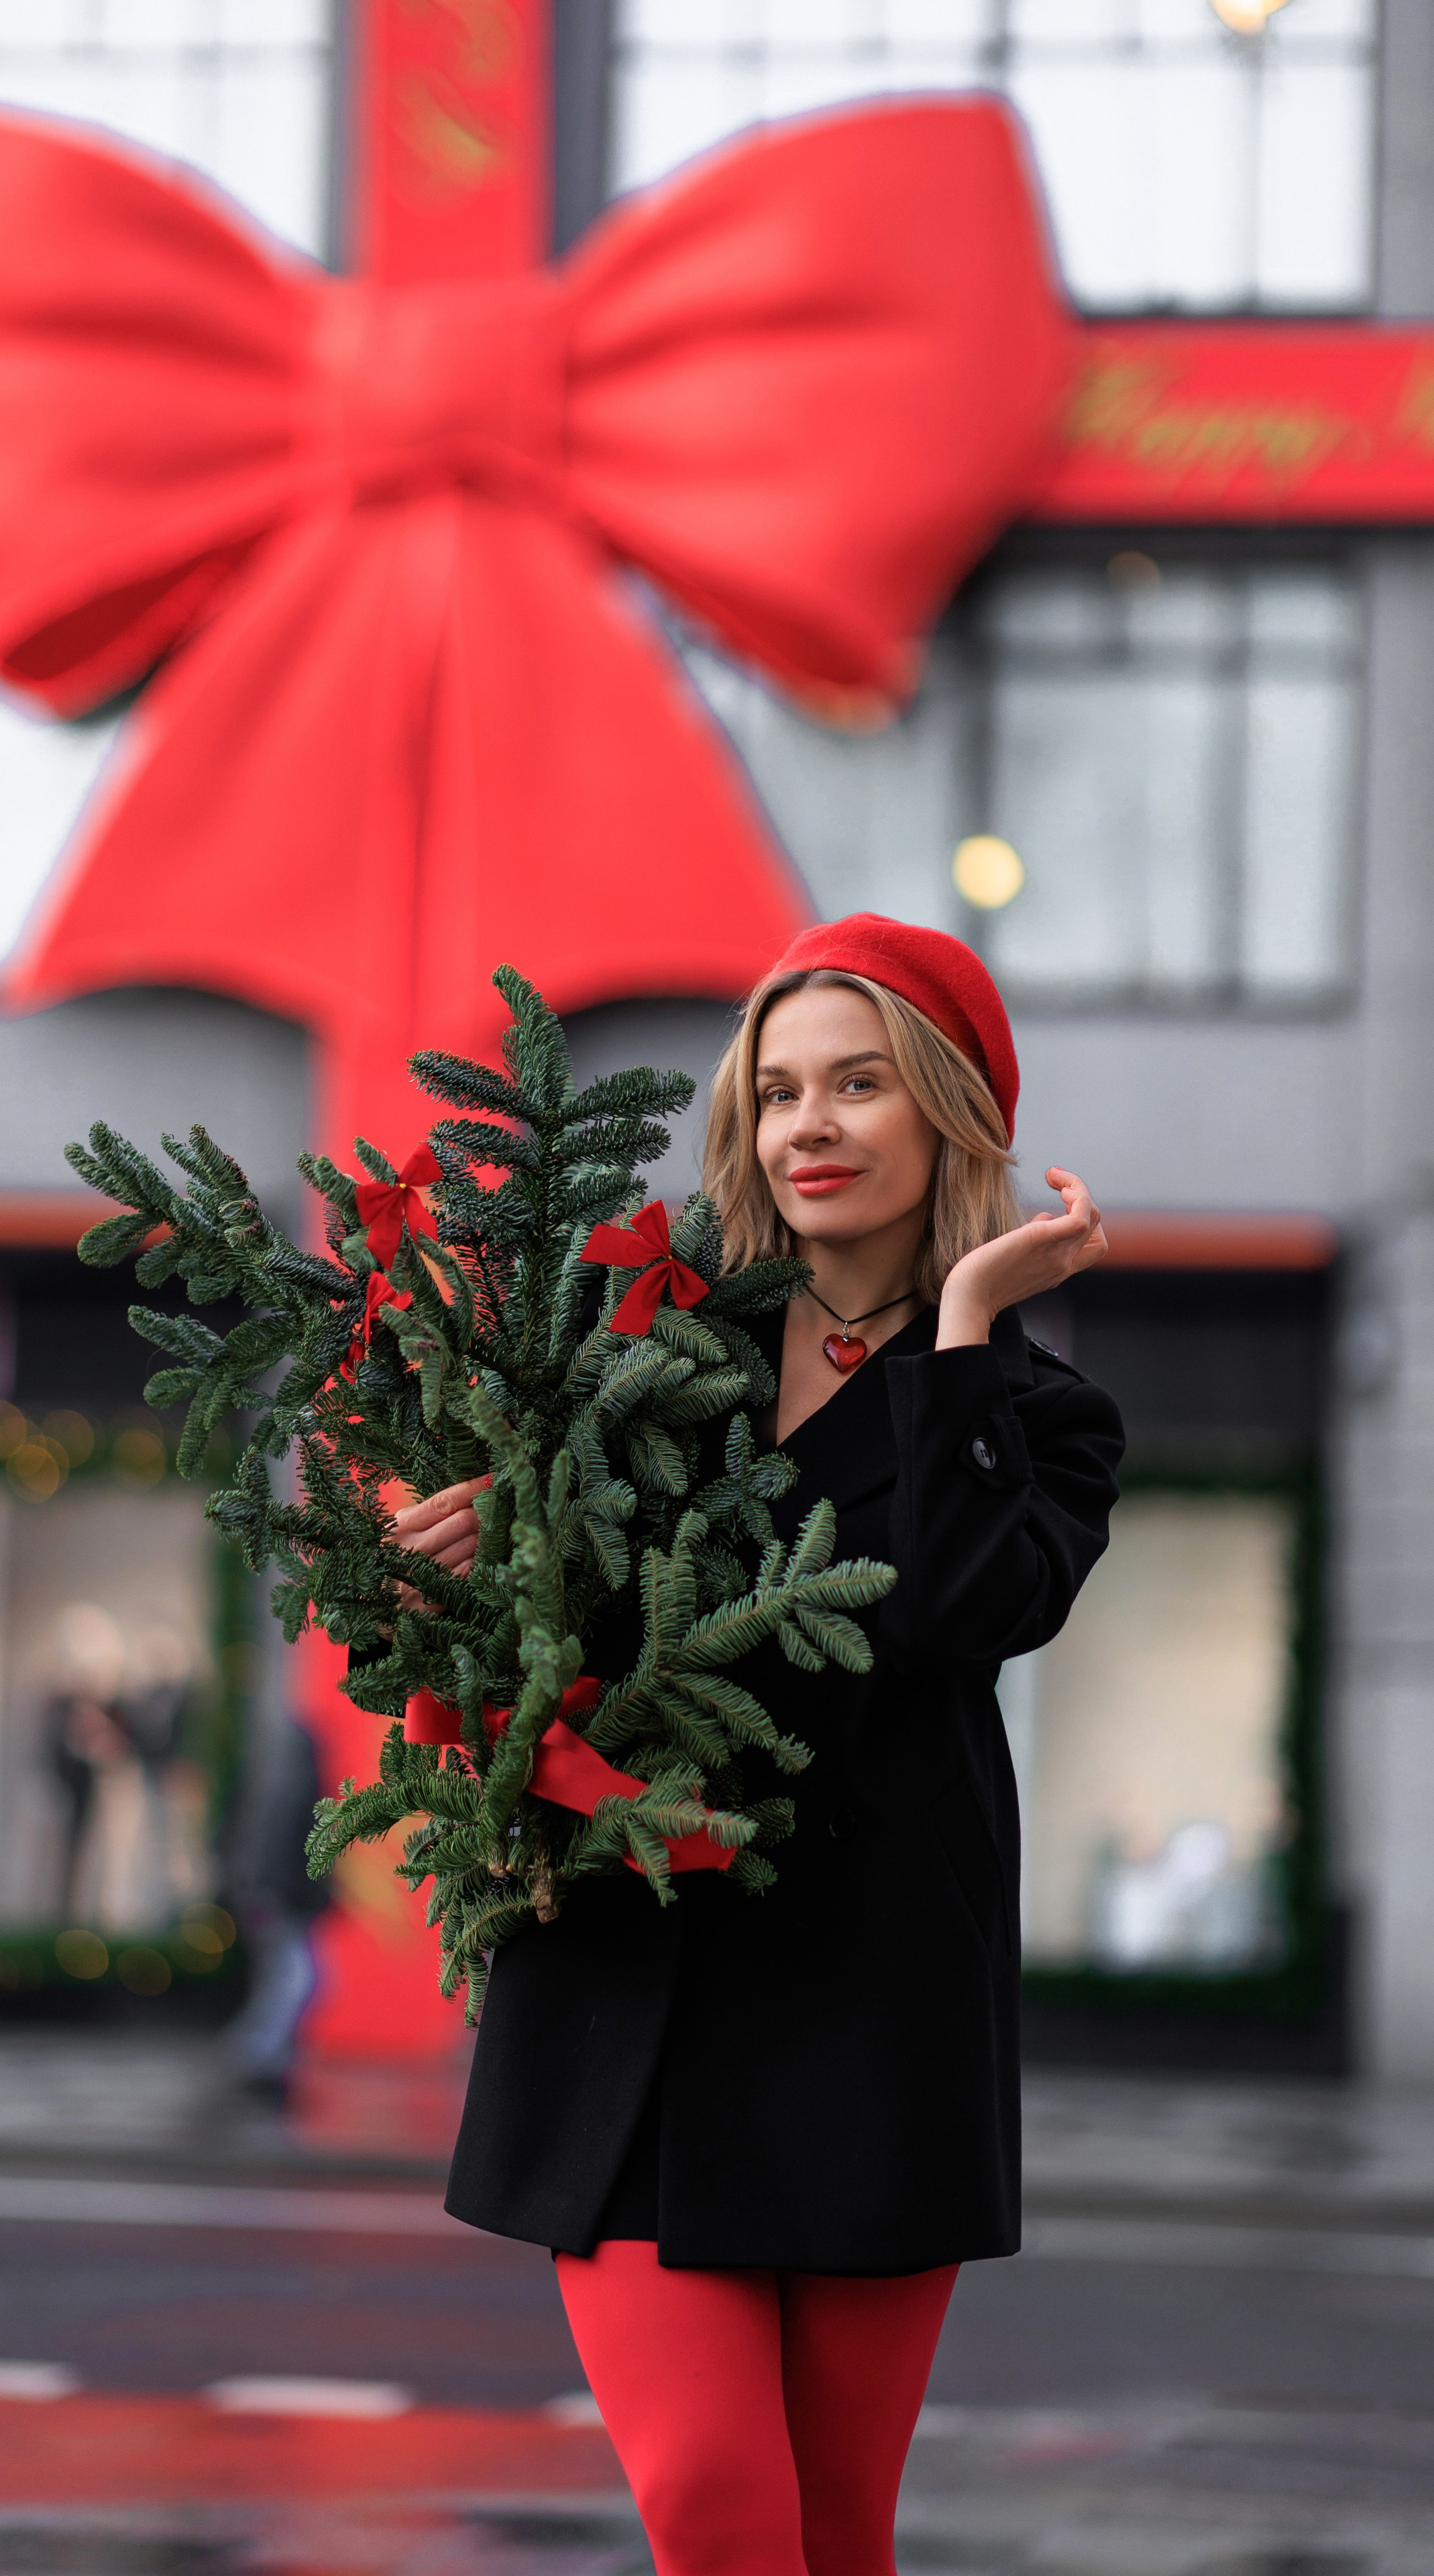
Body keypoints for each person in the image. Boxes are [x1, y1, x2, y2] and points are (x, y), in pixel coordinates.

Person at [390, 915, 1124, 2576]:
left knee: (835, 2529)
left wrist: (963, 1326)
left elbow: (960, 1607)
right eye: (778, 1087)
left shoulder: (1037, 1416)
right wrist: (442, 1555)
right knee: (717, 2505)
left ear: (949, 1111)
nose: (808, 1123)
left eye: (858, 1083)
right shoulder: (649, 1346)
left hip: (874, 2009)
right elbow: (526, 1616)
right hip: (629, 1990)